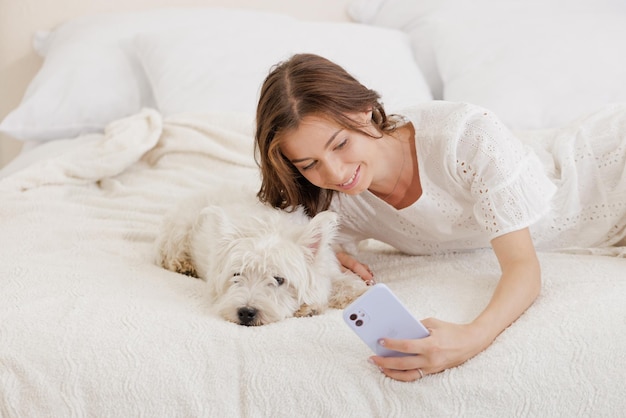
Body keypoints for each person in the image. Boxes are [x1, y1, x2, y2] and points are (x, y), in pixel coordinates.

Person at [253, 53, 626, 382]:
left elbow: (522, 267)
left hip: (601, 172)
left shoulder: (466, 136)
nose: (334, 171)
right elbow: (281, 240)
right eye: (309, 163)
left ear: (364, 108)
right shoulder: (334, 201)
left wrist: (472, 337)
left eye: (341, 144)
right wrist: (330, 256)